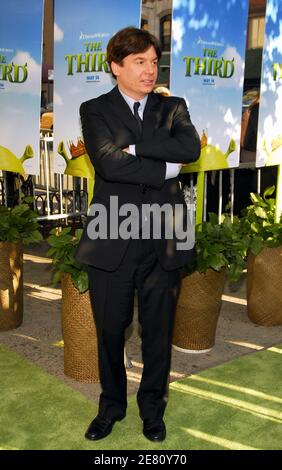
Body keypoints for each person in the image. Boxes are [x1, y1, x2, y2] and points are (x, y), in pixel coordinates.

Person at [76, 26, 200, 442]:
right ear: (116, 67)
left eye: (154, 62)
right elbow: (109, 166)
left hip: (166, 235)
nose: (150, 71)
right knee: (110, 330)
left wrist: (135, 149)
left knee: (158, 332)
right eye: (139, 62)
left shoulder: (173, 106)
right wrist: (164, 166)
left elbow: (190, 150)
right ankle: (111, 406)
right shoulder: (94, 110)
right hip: (112, 233)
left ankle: (153, 410)